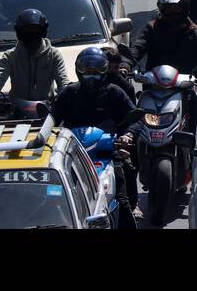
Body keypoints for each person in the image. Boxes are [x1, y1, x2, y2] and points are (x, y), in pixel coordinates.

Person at [50, 46, 139, 228]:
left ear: (105, 71)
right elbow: (52, 119)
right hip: (72, 156)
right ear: (79, 71)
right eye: (87, 71)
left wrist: (128, 135)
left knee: (122, 199)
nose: (92, 75)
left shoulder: (115, 92)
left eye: (96, 71)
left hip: (107, 152)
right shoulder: (69, 93)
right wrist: (43, 135)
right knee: (54, 197)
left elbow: (134, 118)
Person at [0, 9, 71, 102]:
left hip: (47, 108)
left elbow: (63, 80)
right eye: (27, 30)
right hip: (18, 108)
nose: (32, 34)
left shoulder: (53, 54)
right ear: (19, 32)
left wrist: (66, 98)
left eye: (35, 29)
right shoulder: (11, 56)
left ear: (43, 31)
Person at [129, 0, 197, 76]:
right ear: (162, 9)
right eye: (168, 9)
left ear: (185, 8)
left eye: (176, 8)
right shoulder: (152, 28)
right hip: (154, 83)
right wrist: (125, 64)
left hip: (184, 85)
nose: (173, 13)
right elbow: (138, 48)